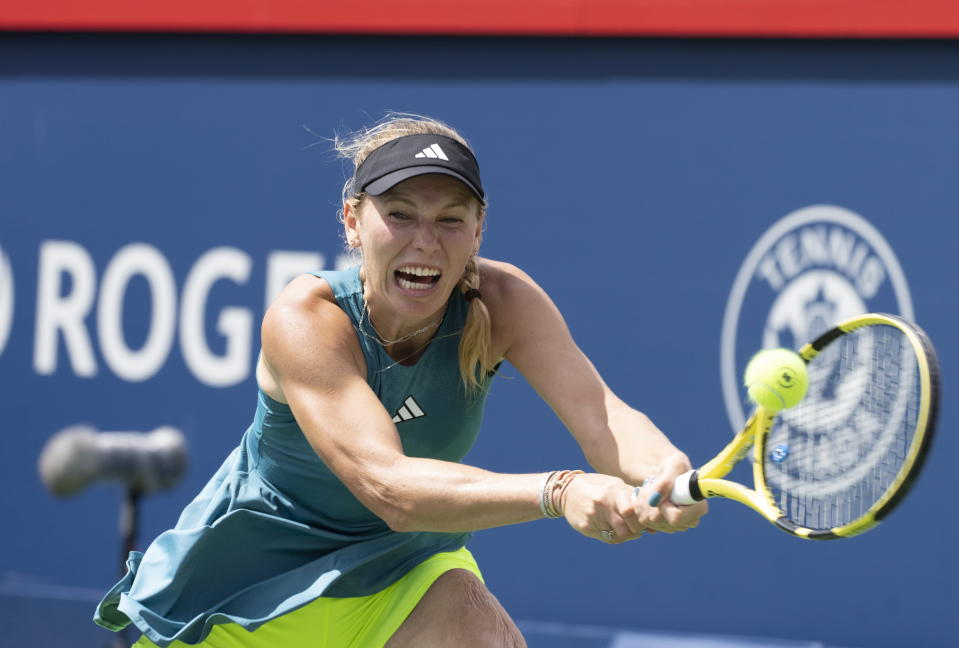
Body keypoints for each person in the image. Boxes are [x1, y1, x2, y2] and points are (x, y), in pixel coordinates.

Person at [94, 113, 708, 648]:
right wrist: (560, 489)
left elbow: (602, 417)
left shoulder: (506, 302)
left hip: (399, 572)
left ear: (479, 229)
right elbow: (390, 490)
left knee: (479, 633)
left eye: (449, 219)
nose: (425, 241)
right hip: (241, 595)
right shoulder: (307, 320)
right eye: (400, 215)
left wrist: (664, 472)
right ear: (353, 221)